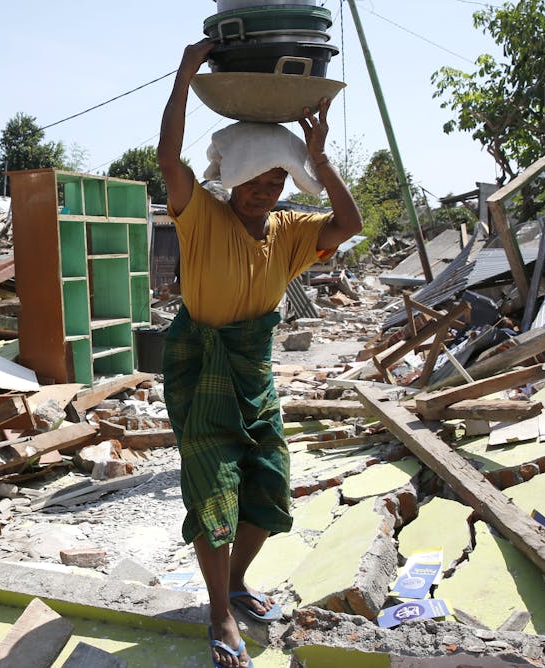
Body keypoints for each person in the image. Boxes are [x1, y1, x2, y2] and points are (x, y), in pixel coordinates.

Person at [156, 38, 363, 668]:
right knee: (214, 489)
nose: (265, 190)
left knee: (270, 486)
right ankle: (218, 611)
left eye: (277, 179)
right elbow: (168, 157)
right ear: (234, 179)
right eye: (256, 179)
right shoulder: (201, 215)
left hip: (253, 369)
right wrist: (188, 72)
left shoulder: (293, 232)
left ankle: (238, 583)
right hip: (200, 364)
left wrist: (320, 162)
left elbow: (349, 224)